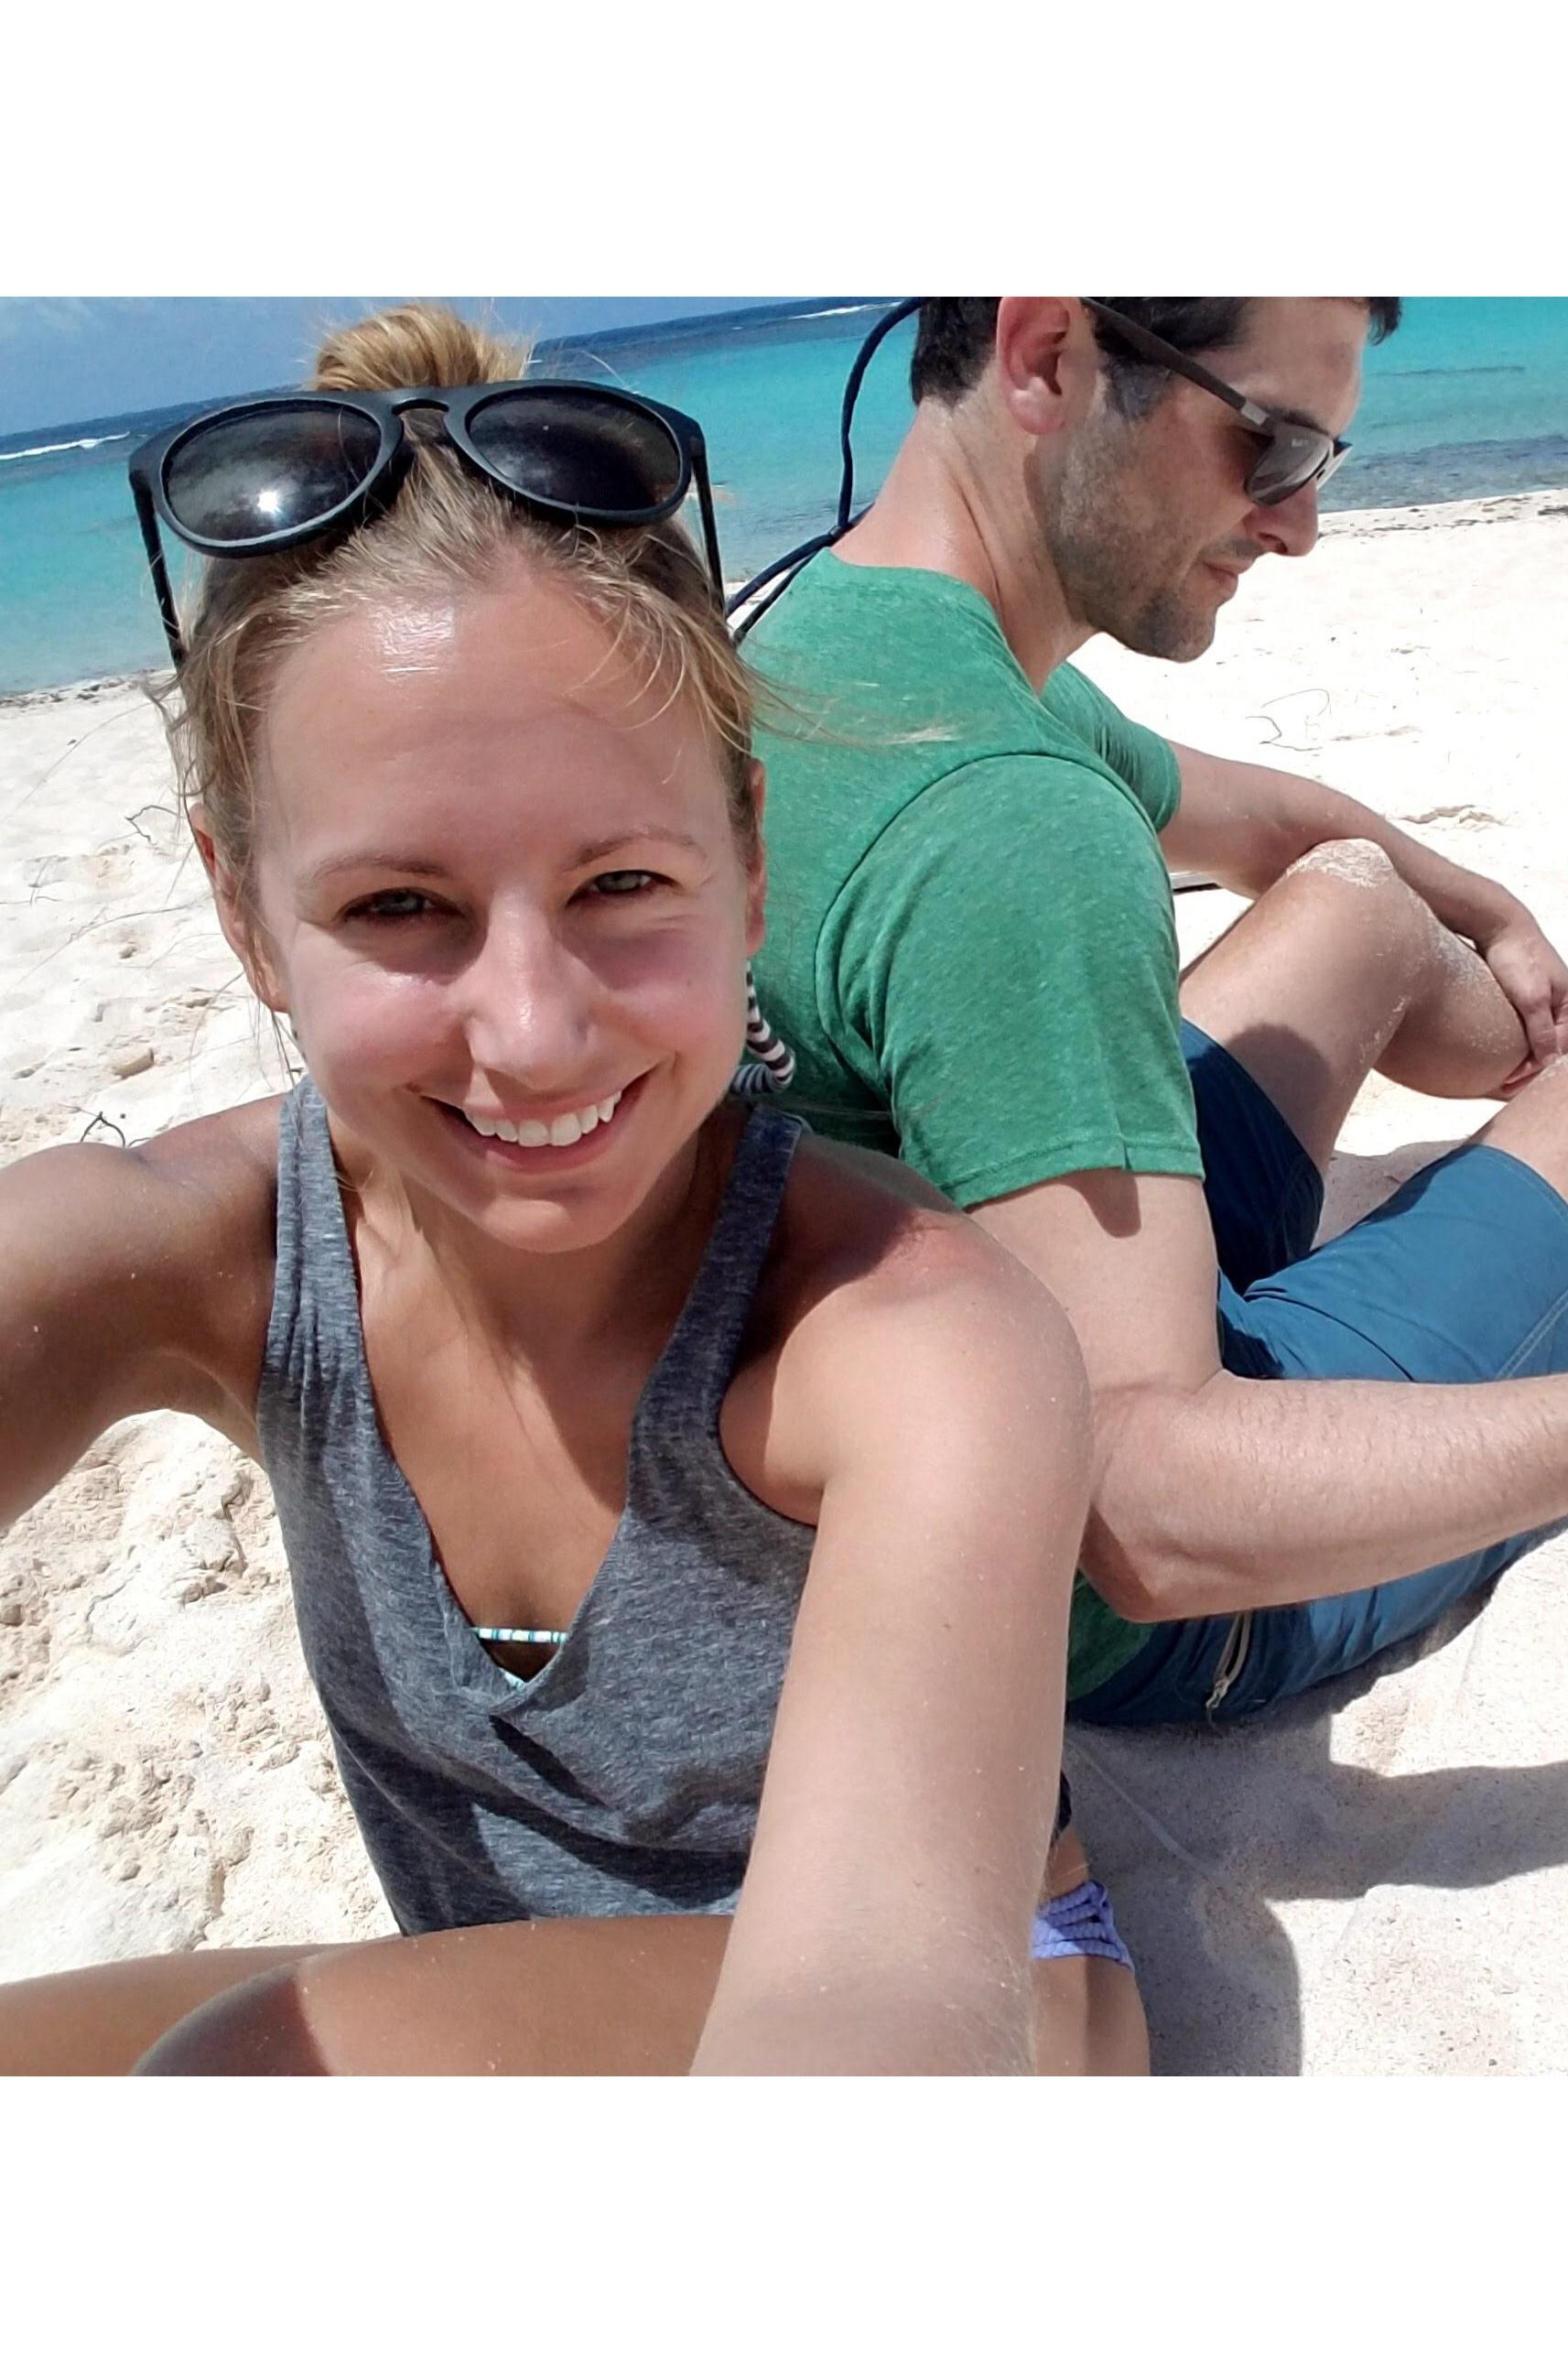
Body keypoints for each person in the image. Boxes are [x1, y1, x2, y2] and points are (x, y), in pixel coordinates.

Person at [0, 304, 1147, 2076]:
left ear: (750, 864)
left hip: (983, 2009)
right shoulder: (198, 1253)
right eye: (400, 910)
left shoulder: (911, 1331)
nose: (531, 1036)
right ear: (243, 913)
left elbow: (874, 2019)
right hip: (517, 2005)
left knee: (239, 2083)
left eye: (620, 884)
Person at [741, 295, 1568, 1727]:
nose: (1298, 527)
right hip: (1155, 1596)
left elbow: (1263, 821)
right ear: (1045, 358)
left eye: (1324, 461)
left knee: (1356, 895)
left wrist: (1490, 911)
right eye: (1270, 448)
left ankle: (1564, 1086)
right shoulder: (1011, 826)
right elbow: (1145, 1520)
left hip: (1030, 1311)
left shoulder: (851, 640)